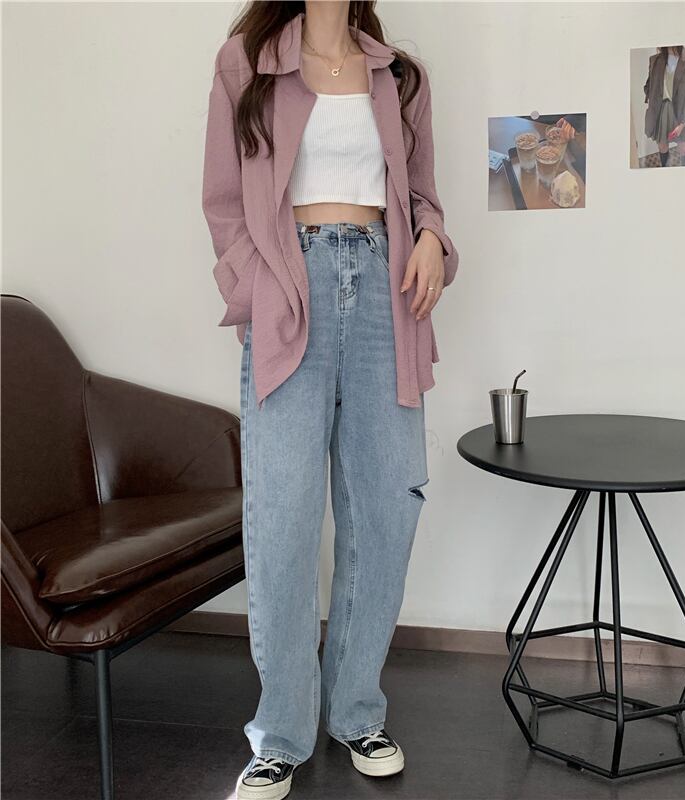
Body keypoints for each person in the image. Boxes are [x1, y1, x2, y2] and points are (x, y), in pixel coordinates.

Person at [201, 2, 458, 798]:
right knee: (281, 517)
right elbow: (223, 202)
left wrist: (431, 241)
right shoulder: (245, 63)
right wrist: (260, 285)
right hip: (291, 285)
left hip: (384, 291)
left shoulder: (398, 75)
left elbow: (425, 199)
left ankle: (356, 712)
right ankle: (280, 731)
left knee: (384, 512)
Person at [643, 45, 685, 167]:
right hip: (661, 111)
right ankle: (666, 172)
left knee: (684, 148)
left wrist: (683, 123)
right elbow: (649, 86)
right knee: (662, 146)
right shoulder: (655, 60)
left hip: (683, 112)